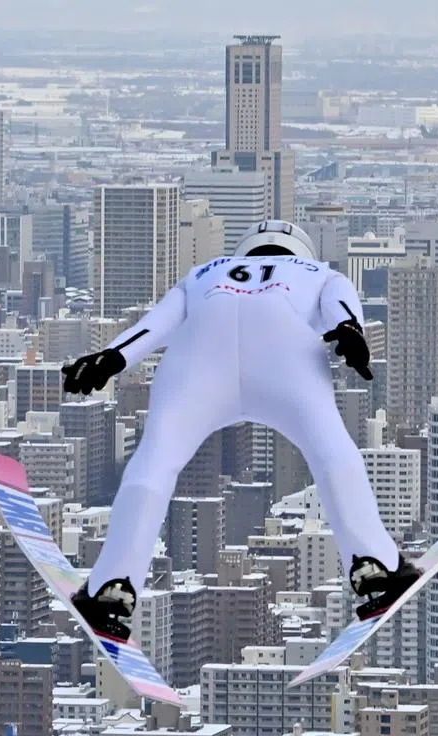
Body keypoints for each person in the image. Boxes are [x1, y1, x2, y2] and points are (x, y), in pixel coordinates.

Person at [62, 220, 419, 640]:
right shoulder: (320, 272)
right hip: (286, 358)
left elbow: (153, 326)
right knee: (332, 453)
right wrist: (352, 332)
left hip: (198, 362)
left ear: (245, 251)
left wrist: (110, 358)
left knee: (155, 462)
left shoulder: (204, 273)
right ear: (298, 251)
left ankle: (112, 586)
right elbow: (341, 309)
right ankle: (372, 565)